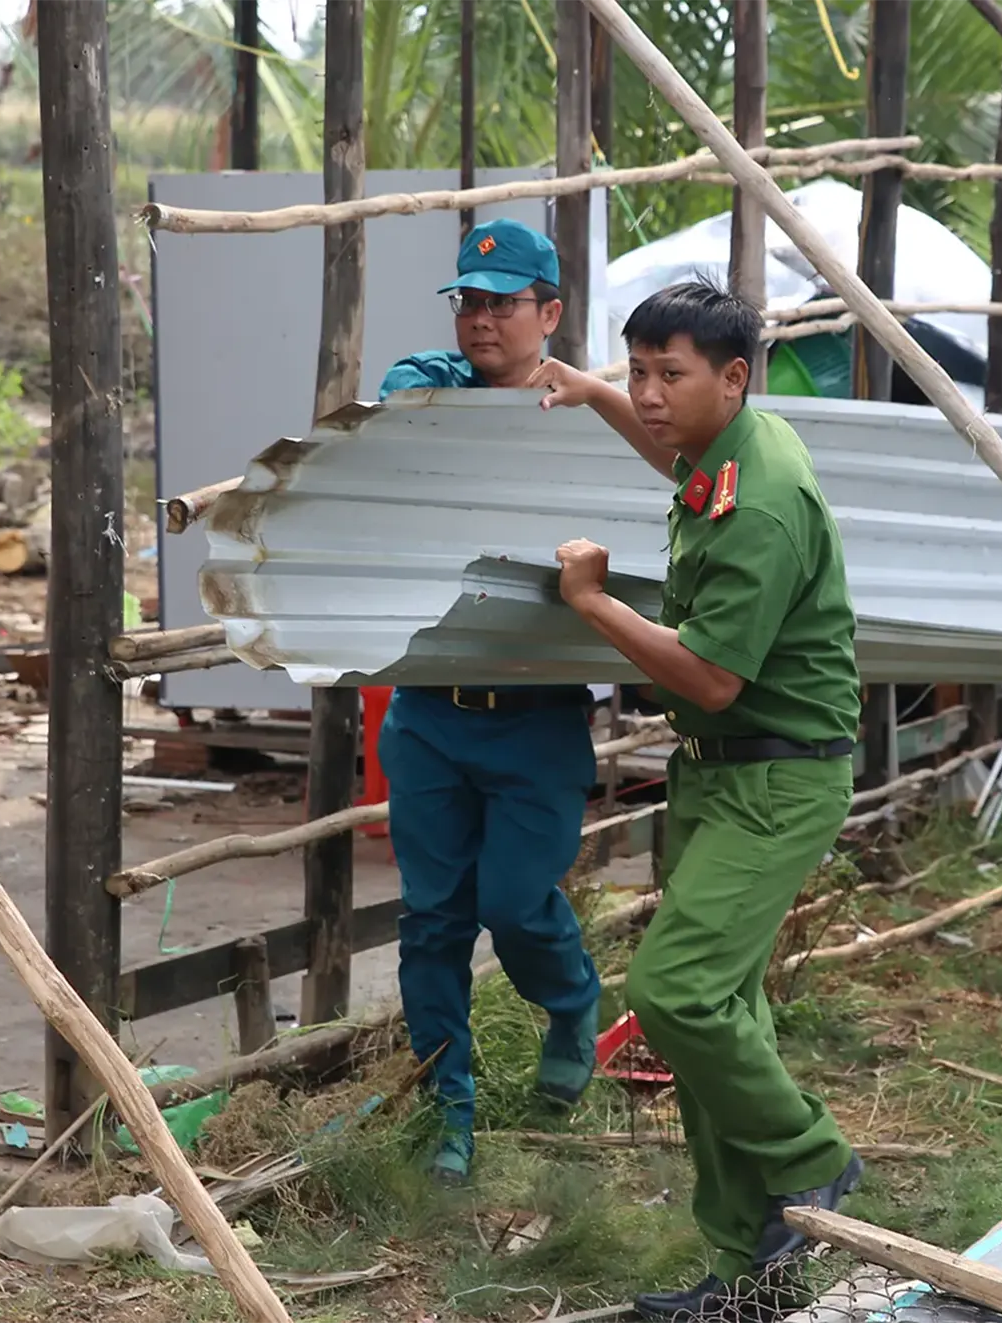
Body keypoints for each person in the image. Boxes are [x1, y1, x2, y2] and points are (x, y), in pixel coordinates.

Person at [530, 281, 864, 1321]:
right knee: (730, 1018)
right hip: (725, 773)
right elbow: (677, 455)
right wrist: (594, 394)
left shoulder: (761, 500)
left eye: (668, 374)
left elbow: (712, 676)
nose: (651, 394)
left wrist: (589, 602)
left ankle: (815, 1158)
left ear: (733, 375)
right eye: (639, 371)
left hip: (776, 772)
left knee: (678, 994)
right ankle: (746, 1275)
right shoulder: (731, 452)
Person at [375, 218, 603, 1185]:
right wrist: (440, 378)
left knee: (513, 902)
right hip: (427, 707)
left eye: (504, 303)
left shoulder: (587, 416)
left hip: (538, 713)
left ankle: (571, 998)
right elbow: (394, 390)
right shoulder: (433, 395)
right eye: (469, 301)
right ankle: (449, 1111)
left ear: (550, 313)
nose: (482, 320)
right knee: (431, 920)